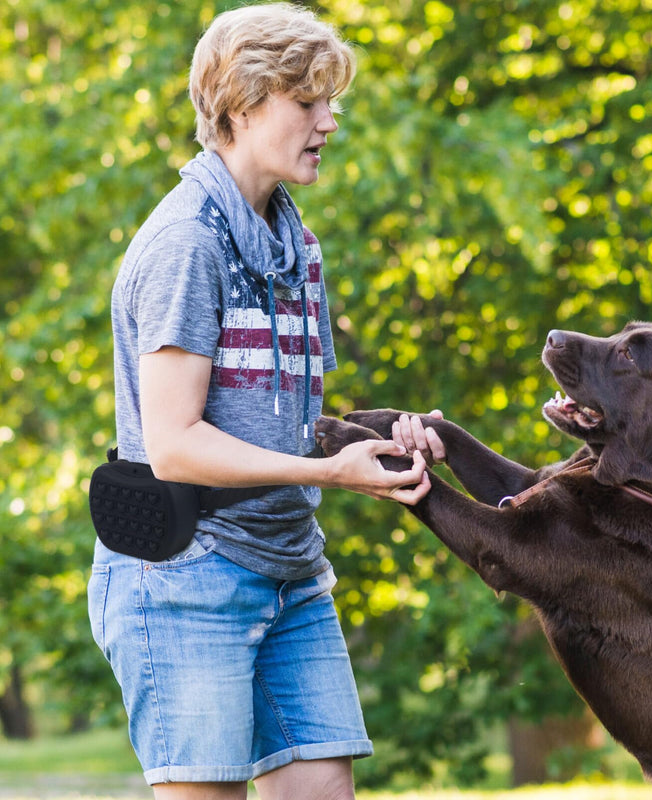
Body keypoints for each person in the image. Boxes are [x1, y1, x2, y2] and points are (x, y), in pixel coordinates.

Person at [87, 5, 439, 799]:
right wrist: (337, 476)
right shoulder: (188, 245)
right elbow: (174, 445)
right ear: (243, 106)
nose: (330, 121)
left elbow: (297, 421)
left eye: (330, 101)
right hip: (185, 578)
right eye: (308, 101)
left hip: (289, 567)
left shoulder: (292, 241)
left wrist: (388, 437)